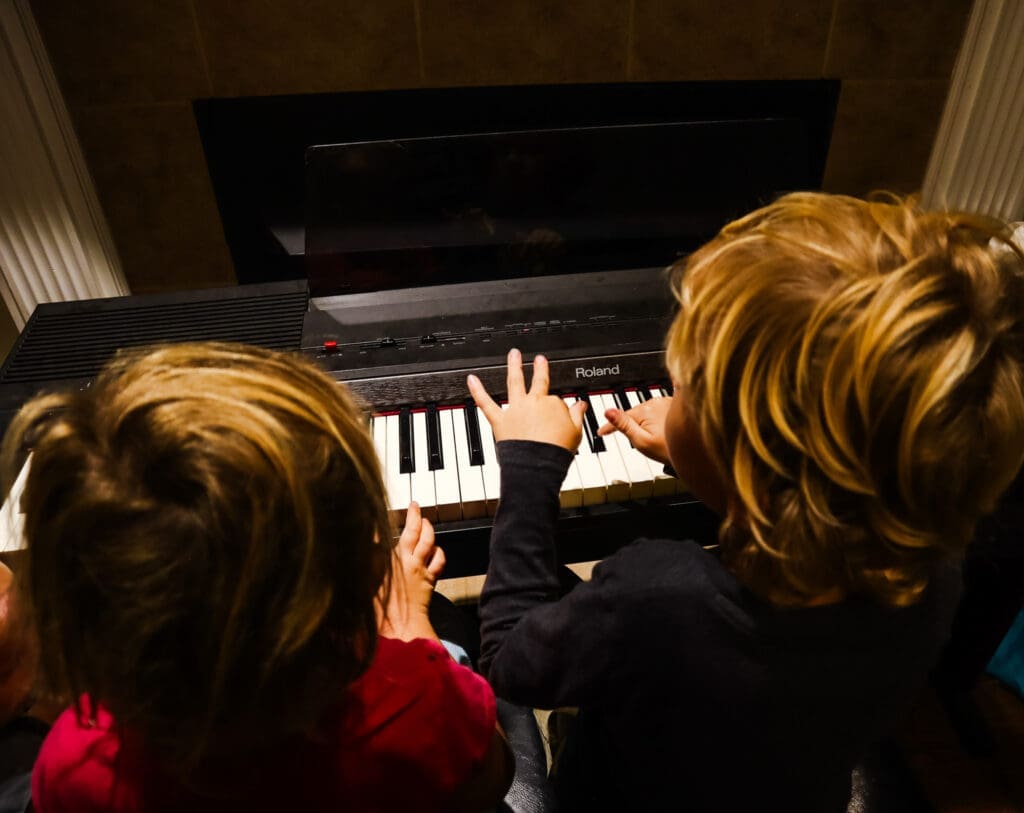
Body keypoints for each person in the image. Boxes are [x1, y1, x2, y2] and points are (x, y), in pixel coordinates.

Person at [467, 192, 1024, 812]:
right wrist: (700, 456)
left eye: (684, 388)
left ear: (748, 449)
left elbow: (509, 662)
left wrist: (529, 467)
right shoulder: (935, 575)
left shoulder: (656, 595)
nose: (672, 394)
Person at [2, 343, 512, 812]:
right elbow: (493, 777)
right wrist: (410, 623)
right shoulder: (416, 702)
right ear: (349, 581)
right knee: (453, 643)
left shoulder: (73, 763)